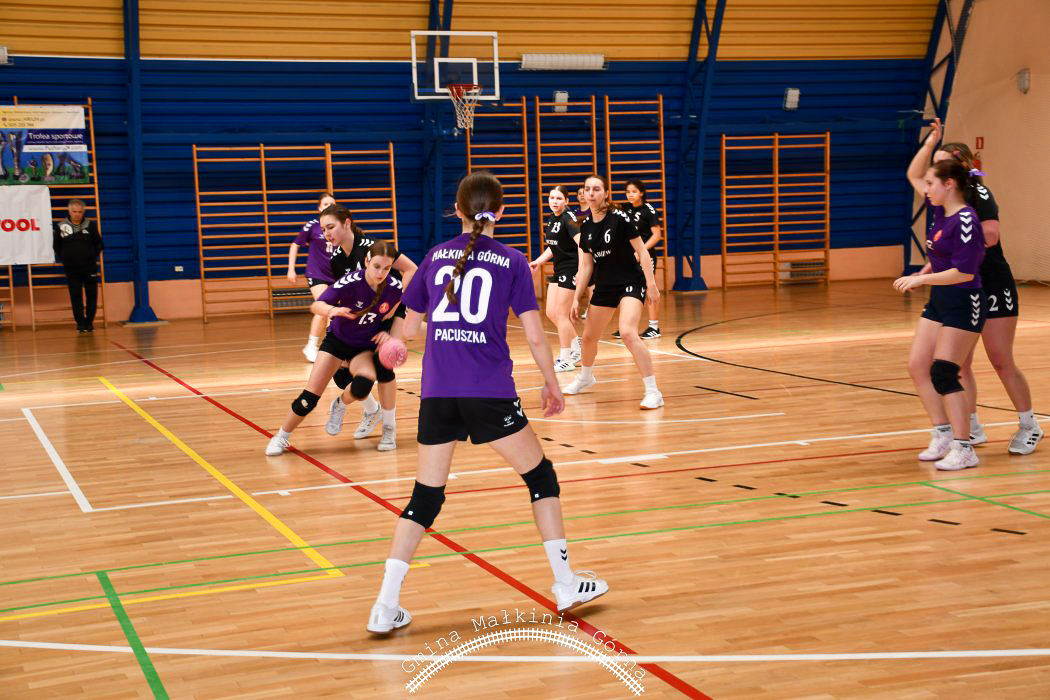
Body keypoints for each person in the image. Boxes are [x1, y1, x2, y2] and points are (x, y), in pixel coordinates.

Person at [365, 171, 608, 634]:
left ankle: (384, 605)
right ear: (501, 211)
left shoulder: (434, 257)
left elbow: (408, 331)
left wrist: (395, 342)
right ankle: (564, 584)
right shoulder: (513, 262)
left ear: (457, 210)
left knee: (425, 497)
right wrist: (552, 383)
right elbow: (534, 336)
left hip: (439, 392)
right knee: (540, 476)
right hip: (489, 391)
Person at [931, 141, 1042, 455]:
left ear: (960, 165)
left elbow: (991, 235)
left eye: (943, 162)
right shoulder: (942, 202)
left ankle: (1030, 425)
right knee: (959, 362)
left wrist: (960, 251)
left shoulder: (978, 192)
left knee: (1001, 360)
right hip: (963, 288)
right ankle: (972, 427)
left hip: (992, 284)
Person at [896, 124, 988, 471]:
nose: (926, 188)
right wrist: (931, 142)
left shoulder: (965, 220)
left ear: (949, 185)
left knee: (945, 372)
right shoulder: (940, 211)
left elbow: (964, 272)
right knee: (918, 366)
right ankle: (943, 433)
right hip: (941, 302)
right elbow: (913, 174)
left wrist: (921, 278)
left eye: (932, 183)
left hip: (964, 301)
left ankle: (965, 447)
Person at [265, 241, 404, 456]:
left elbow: (396, 311)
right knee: (310, 397)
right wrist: (332, 310)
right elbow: (316, 305)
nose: (380, 273)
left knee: (363, 385)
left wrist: (387, 331)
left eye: (386, 268)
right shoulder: (350, 282)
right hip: (337, 342)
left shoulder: (394, 287)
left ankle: (340, 404)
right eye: (377, 266)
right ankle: (281, 436)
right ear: (367, 261)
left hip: (363, 348)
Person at [563, 175, 663, 409]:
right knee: (589, 338)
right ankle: (585, 377)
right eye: (587, 189)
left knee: (628, 333)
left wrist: (651, 285)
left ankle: (653, 392)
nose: (591, 193)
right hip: (605, 285)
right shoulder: (586, 227)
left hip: (630, 281)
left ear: (606, 193)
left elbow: (643, 251)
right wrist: (576, 298)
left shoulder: (620, 218)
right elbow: (586, 267)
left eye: (596, 189)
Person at [322, 205, 417, 442]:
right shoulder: (336, 259)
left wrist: (396, 303)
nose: (327, 234)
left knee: (384, 367)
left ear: (347, 224)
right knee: (343, 377)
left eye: (330, 227)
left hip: (389, 309)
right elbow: (342, 295)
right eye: (323, 229)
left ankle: (389, 429)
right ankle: (372, 410)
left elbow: (411, 269)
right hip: (366, 317)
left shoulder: (372, 247)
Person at [529, 186, 582, 371]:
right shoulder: (552, 219)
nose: (554, 201)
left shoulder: (569, 219)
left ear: (566, 201)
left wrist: (581, 270)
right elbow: (553, 246)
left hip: (571, 268)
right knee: (551, 312)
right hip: (559, 269)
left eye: (559, 198)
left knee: (561, 314)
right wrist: (538, 261)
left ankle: (566, 359)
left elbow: (583, 245)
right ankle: (577, 347)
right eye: (552, 198)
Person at [288, 193, 339, 363]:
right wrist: (291, 269)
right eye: (325, 204)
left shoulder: (341, 227)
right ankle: (311, 346)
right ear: (319, 208)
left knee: (334, 314)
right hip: (317, 274)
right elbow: (295, 244)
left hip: (336, 275)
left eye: (332, 204)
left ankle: (332, 347)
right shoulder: (312, 226)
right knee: (324, 307)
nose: (329, 207)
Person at [616, 179, 663, 339]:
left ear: (641, 193)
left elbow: (656, 235)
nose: (630, 195)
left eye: (634, 192)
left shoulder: (648, 210)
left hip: (644, 256)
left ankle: (654, 327)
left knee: (649, 287)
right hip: (628, 257)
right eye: (628, 192)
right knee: (627, 289)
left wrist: (641, 251)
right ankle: (627, 326)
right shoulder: (625, 209)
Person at [52, 198, 103, 333]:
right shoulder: (61, 226)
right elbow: (56, 246)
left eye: (80, 212)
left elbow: (99, 244)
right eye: (74, 211)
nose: (77, 214)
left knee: (92, 295)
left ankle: (89, 323)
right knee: (75, 296)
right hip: (71, 269)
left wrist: (90, 256)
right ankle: (80, 323)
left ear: (83, 212)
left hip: (89, 268)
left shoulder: (90, 225)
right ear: (69, 211)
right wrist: (67, 259)